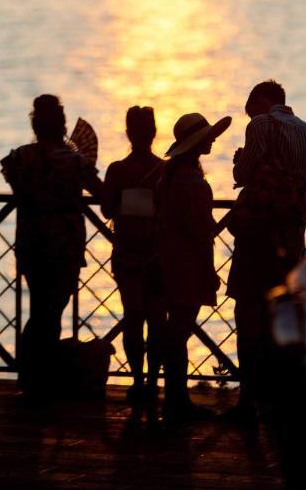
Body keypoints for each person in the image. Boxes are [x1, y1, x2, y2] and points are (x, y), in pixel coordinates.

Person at [226, 79, 306, 422]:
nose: (249, 119)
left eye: (249, 110)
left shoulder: (261, 124)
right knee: (280, 318)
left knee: (247, 314)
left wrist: (241, 162)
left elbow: (244, 172)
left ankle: (247, 401)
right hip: (292, 238)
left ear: (261, 101)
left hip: (257, 237)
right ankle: (279, 399)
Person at [0, 94, 102, 399]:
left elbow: (18, 186)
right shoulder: (73, 161)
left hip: (31, 241)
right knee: (51, 311)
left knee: (40, 307)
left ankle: (32, 376)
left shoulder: (20, 157)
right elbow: (101, 191)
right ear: (62, 125)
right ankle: (38, 378)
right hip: (64, 243)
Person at [158, 111, 231, 422]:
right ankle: (177, 401)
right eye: (208, 137)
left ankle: (174, 398)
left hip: (168, 261)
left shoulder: (169, 178)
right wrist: (209, 271)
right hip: (188, 266)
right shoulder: (195, 185)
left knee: (176, 332)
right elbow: (201, 235)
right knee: (179, 333)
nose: (213, 140)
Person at [101, 106, 165, 408]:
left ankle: (138, 379)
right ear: (154, 133)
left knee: (133, 317)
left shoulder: (117, 170)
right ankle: (152, 379)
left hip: (126, 252)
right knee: (156, 319)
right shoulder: (164, 170)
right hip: (156, 253)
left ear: (128, 133)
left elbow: (106, 209)